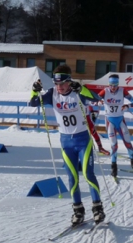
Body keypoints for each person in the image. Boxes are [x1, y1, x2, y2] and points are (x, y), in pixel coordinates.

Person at [28, 64, 106, 224]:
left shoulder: (77, 93)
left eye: (63, 83)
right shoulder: (52, 94)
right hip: (66, 142)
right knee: (72, 178)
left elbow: (98, 99)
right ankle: (78, 211)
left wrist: (82, 89)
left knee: (88, 174)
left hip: (83, 140)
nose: (60, 87)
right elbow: (32, 103)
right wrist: (34, 90)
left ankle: (98, 208)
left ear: (69, 82)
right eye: (57, 83)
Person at [97, 74, 133, 177]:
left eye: (115, 85)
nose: (113, 87)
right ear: (108, 84)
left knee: (128, 142)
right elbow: (94, 100)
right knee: (114, 145)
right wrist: (98, 102)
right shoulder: (105, 91)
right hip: (110, 121)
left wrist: (128, 106)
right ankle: (114, 167)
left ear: (118, 84)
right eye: (111, 85)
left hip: (120, 120)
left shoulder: (122, 91)